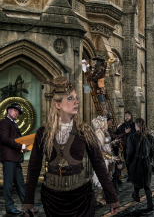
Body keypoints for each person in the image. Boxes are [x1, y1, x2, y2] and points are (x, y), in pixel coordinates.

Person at [23, 76, 119, 216]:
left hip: (81, 197)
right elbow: (34, 166)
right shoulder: (43, 133)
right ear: (57, 105)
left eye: (76, 98)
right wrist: (28, 201)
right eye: (70, 98)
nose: (76, 101)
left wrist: (111, 197)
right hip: (52, 198)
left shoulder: (84, 131)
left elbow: (98, 163)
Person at [1, 103, 29, 215]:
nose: (17, 113)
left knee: (20, 183)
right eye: (14, 110)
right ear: (8, 111)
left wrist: (23, 148)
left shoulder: (14, 124)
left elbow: (15, 141)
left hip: (15, 157)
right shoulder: (4, 123)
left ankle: (27, 205)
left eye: (18, 112)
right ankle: (9, 207)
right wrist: (21, 147)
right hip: (8, 157)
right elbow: (5, 139)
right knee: (8, 183)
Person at [126, 118, 154, 211]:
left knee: (136, 178)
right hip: (146, 162)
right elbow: (152, 152)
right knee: (146, 184)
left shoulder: (132, 137)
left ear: (136, 126)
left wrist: (128, 162)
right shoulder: (150, 137)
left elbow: (129, 152)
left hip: (136, 162)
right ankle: (149, 202)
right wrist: (149, 159)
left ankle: (136, 196)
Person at [91, 116, 118, 206]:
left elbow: (106, 144)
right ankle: (99, 197)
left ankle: (103, 196)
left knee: (107, 176)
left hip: (108, 157)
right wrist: (110, 157)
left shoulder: (104, 132)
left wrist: (113, 143)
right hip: (104, 158)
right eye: (106, 123)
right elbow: (99, 150)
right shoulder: (99, 133)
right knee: (102, 177)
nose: (107, 124)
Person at [116, 111, 135, 183]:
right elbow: (117, 134)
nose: (127, 117)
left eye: (128, 116)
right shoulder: (122, 126)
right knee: (128, 161)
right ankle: (130, 175)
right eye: (126, 116)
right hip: (126, 146)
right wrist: (118, 127)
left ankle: (133, 175)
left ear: (131, 116)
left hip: (133, 146)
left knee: (133, 161)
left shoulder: (133, 125)